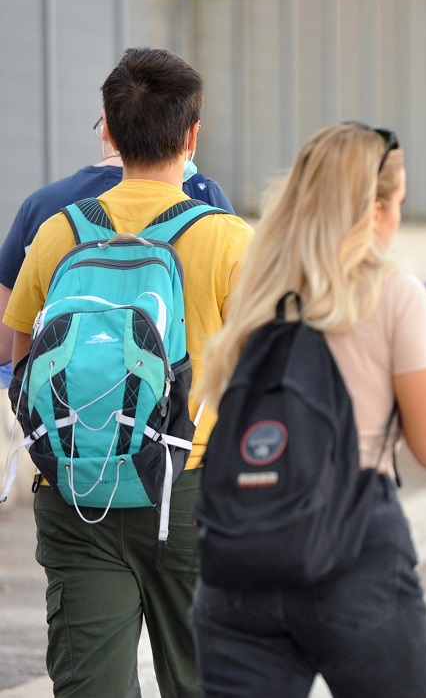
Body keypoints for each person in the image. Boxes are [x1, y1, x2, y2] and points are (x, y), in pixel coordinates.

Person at [3, 47, 254, 696]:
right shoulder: (230, 240)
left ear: (109, 131)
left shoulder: (58, 232)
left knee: (90, 685)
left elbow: (20, 352)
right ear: (192, 136)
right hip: (190, 487)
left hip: (75, 487)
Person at [190, 121, 426, 697]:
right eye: (398, 204)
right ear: (374, 210)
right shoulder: (394, 293)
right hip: (355, 546)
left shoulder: (257, 288)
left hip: (242, 548)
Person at [0, 109, 234, 376]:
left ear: (108, 130)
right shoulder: (211, 208)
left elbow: (7, 346)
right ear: (191, 135)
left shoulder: (46, 214)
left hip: (68, 400)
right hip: (188, 399)